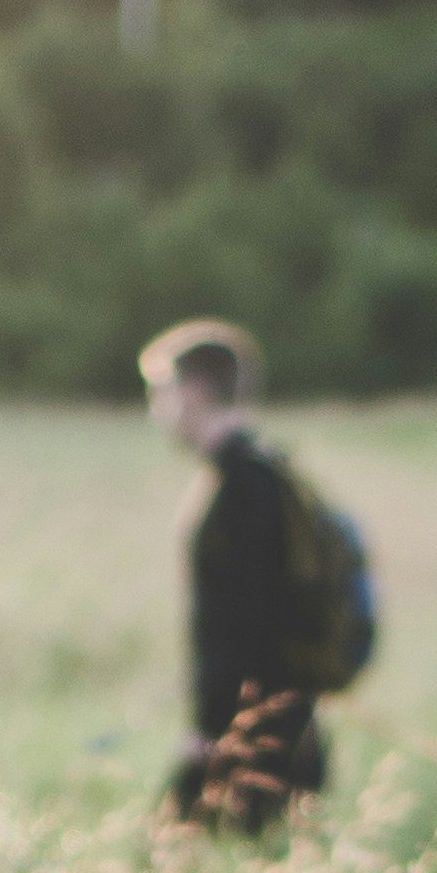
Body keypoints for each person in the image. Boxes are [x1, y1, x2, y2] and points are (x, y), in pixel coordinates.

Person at [139, 316, 323, 832]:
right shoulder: (258, 472)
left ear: (194, 392)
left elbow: (241, 619)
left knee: (171, 861)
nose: (157, 411)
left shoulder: (243, 487)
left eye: (161, 393)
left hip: (255, 733)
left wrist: (210, 729)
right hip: (279, 724)